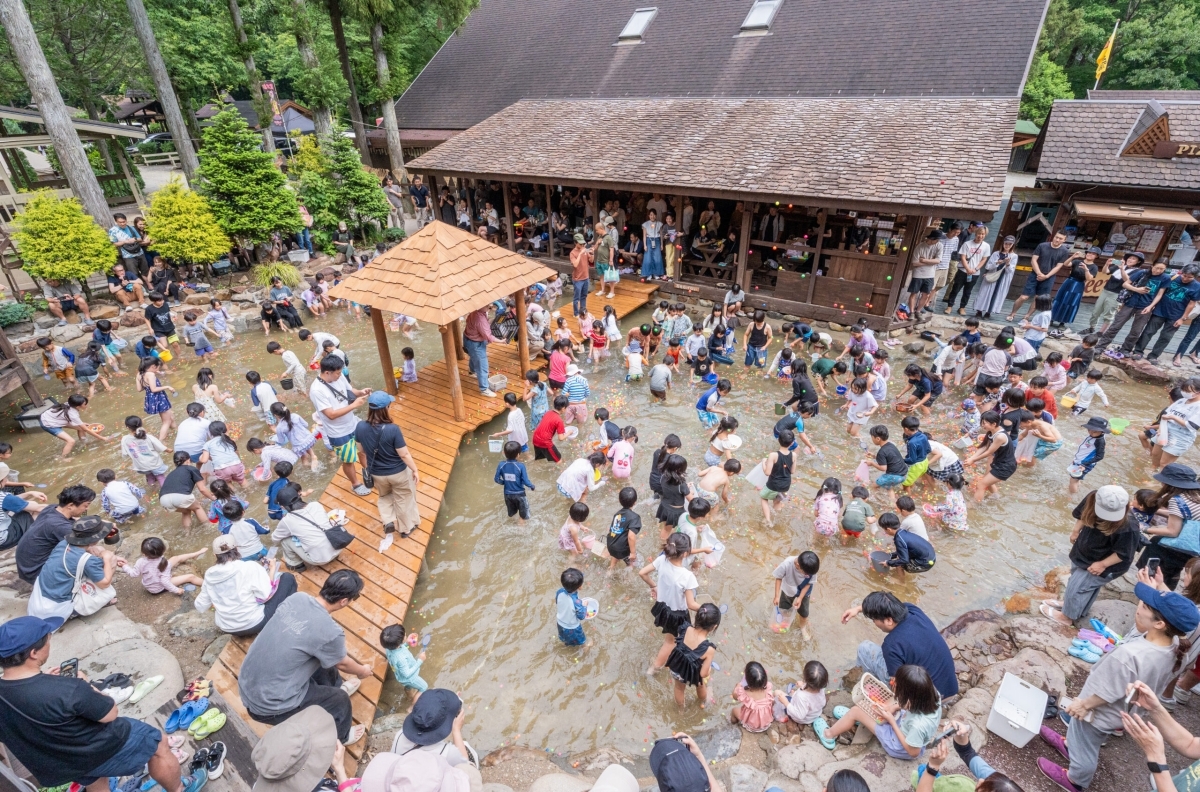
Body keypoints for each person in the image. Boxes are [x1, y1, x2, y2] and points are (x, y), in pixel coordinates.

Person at [0, 615, 204, 792]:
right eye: (46, 639)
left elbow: (29, 699)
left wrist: (41, 677)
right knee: (159, 742)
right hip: (96, 750)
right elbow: (110, 712)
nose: (49, 641)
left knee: (93, 778)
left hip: (60, 761)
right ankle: (179, 788)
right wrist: (87, 684)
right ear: (34, 653)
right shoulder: (68, 689)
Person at [1037, 577, 1199, 792]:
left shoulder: (1129, 655)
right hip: (1125, 712)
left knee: (1086, 743)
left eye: (1144, 605)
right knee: (1086, 739)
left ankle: (1076, 779)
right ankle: (1070, 745)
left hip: (1099, 713)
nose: (1138, 606)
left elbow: (1106, 692)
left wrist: (1082, 705)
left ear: (1159, 624)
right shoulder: (1178, 647)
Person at [239, 569, 371, 745]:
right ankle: (343, 736)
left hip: (247, 684)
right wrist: (363, 671)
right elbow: (344, 664)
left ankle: (335, 687)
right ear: (344, 601)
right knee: (340, 700)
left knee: (323, 657)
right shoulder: (331, 632)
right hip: (268, 706)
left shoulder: (297, 598)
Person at [1040, 486, 1138, 627]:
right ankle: (1071, 606)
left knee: (1079, 587)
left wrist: (1103, 564)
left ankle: (1066, 617)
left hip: (1106, 561)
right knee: (1076, 579)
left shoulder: (1129, 526)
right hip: (1085, 551)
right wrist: (1075, 531)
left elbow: (1125, 553)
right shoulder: (1093, 497)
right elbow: (1082, 515)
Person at [841, 590, 959, 699]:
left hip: (929, 703)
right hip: (951, 690)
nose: (874, 623)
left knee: (865, 648)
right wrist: (857, 609)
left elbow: (896, 685)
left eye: (874, 619)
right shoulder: (912, 610)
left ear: (889, 621)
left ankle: (868, 682)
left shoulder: (891, 644)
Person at [818, 663, 942, 757]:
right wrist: (893, 707)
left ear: (910, 699)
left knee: (855, 711)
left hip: (898, 745)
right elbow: (909, 704)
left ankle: (828, 735)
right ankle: (856, 719)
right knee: (879, 708)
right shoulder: (931, 694)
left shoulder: (918, 726)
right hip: (907, 727)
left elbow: (913, 752)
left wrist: (891, 721)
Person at [355, 391, 421, 542]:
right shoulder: (393, 429)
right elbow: (404, 454)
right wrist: (415, 470)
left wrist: (367, 468)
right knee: (404, 499)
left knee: (384, 496)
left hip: (377, 473)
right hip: (398, 473)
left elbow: (362, 451)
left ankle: (388, 520)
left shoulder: (360, 427)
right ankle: (405, 529)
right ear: (386, 408)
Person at [26, 516, 121, 621]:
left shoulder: (63, 544)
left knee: (98, 552)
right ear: (94, 540)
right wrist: (107, 558)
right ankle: (88, 605)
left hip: (40, 600)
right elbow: (105, 583)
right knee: (111, 560)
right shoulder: (88, 561)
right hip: (57, 609)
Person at [310, 355, 371, 495]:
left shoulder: (339, 376)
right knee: (348, 459)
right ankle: (355, 484)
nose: (340, 375)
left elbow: (349, 391)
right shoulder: (317, 390)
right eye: (338, 373)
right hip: (338, 432)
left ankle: (369, 471)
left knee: (364, 450)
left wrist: (360, 392)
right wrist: (354, 405)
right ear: (327, 373)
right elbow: (330, 414)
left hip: (353, 423)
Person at [642, 533, 701, 673]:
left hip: (662, 607)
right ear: (686, 553)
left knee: (673, 638)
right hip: (677, 614)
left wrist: (653, 586)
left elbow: (642, 573)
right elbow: (691, 604)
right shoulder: (687, 576)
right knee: (670, 642)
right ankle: (654, 668)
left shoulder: (662, 560)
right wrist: (707, 608)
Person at [15, 484, 95, 585]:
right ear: (70, 506)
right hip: (36, 572)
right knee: (89, 558)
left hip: (26, 567)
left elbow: (77, 519)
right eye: (86, 505)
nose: (87, 509)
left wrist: (100, 522)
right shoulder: (59, 526)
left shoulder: (52, 508)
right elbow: (87, 546)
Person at [1096, 257, 1169, 359]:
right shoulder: (1142, 273)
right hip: (1130, 302)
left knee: (1136, 331)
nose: (1158, 271)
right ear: (1152, 266)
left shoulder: (1165, 278)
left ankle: (1126, 349)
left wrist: (1150, 307)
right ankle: (1101, 346)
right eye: (1156, 268)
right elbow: (1125, 284)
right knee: (1116, 325)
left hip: (1145, 306)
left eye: (1161, 269)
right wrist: (1137, 289)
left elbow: (1159, 295)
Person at [1133, 264, 1200, 364]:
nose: (1185, 278)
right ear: (1181, 272)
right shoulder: (1173, 278)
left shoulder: (1197, 286)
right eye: (1184, 275)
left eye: (1189, 277)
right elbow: (1161, 292)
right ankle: (1138, 351)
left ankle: (1154, 355)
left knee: (1166, 337)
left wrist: (1183, 318)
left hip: (1176, 315)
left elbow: (1191, 303)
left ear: (1195, 277)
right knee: (1148, 331)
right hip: (1160, 310)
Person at [1008, 231, 1080, 322]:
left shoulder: (1065, 251)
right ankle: (1012, 313)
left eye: (1060, 238)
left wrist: (1046, 276)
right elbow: (1033, 260)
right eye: (1056, 237)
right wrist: (1039, 273)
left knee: (1038, 298)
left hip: (1049, 277)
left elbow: (1058, 266)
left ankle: (1027, 316)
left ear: (1064, 240)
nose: (1057, 240)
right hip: (1035, 274)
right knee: (1024, 297)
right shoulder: (1042, 246)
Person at [273, 486, 342, 570]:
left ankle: (296, 564)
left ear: (283, 507)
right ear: (300, 495)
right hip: (338, 545)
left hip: (321, 559)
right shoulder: (316, 505)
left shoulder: (287, 521)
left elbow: (275, 538)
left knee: (285, 540)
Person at [667, 602, 720, 708]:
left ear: (697, 616)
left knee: (679, 688)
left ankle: (681, 710)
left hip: (676, 667)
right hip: (693, 673)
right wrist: (708, 669)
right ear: (714, 627)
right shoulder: (709, 648)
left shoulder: (684, 628)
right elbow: (703, 674)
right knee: (700, 685)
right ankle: (704, 701)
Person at [160, 451, 214, 530]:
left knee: (186, 511)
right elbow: (202, 489)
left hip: (163, 500)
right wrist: (213, 498)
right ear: (188, 460)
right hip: (180, 497)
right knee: (197, 507)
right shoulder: (191, 469)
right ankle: (208, 527)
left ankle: (187, 533)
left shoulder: (171, 473)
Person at [944, 224, 990, 315]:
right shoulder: (967, 244)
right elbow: (963, 257)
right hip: (963, 271)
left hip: (975, 273)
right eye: (979, 233)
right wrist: (968, 268)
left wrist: (976, 269)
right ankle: (949, 306)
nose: (980, 236)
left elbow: (984, 259)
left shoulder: (986, 246)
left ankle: (962, 307)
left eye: (983, 234)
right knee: (955, 289)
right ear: (976, 233)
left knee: (967, 292)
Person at [1050, 247, 1100, 329]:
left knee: (1071, 302)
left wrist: (1086, 269)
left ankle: (1063, 322)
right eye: (1089, 252)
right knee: (1059, 299)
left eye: (1093, 254)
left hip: (1079, 284)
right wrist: (1073, 257)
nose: (1090, 254)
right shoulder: (1077, 261)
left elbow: (1089, 278)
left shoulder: (1094, 267)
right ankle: (1051, 318)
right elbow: (1066, 264)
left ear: (1096, 256)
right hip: (1069, 282)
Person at [773, 550, 818, 639]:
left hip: (804, 591)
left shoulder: (811, 568)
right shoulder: (787, 564)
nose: (807, 575)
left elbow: (809, 583)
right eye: (805, 573)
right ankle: (785, 623)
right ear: (797, 565)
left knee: (804, 613)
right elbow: (778, 578)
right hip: (788, 590)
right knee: (785, 609)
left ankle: (802, 627)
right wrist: (777, 596)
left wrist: (800, 598)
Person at [971, 235, 1019, 318]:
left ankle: (989, 312)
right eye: (1006, 243)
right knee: (984, 293)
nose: (1007, 246)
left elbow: (1010, 271)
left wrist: (1007, 263)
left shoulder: (1014, 256)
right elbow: (987, 267)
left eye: (1010, 244)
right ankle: (979, 311)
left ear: (1012, 245)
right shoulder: (996, 254)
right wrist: (997, 263)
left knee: (997, 294)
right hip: (992, 275)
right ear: (1003, 244)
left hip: (1003, 278)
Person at [380, 624, 427, 701]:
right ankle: (412, 707)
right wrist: (420, 660)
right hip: (410, 678)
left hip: (400, 676)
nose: (406, 635)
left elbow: (398, 649)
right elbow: (407, 674)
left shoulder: (389, 648)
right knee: (424, 687)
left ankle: (409, 694)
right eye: (405, 635)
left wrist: (406, 643)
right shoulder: (400, 658)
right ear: (399, 642)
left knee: (408, 685)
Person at [907, 231, 943, 315]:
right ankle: (912, 312)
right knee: (914, 293)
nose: (938, 241)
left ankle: (918, 310)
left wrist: (923, 260)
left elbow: (938, 261)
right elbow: (915, 263)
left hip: (930, 274)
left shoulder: (939, 246)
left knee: (926, 294)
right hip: (918, 273)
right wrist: (931, 261)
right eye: (937, 239)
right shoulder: (920, 247)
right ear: (931, 239)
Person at [143, 291, 180, 357]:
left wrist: (173, 317)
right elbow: (146, 319)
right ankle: (164, 358)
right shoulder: (149, 309)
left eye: (162, 300)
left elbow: (168, 312)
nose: (162, 302)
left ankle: (179, 357)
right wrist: (150, 328)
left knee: (175, 344)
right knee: (164, 346)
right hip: (158, 330)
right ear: (153, 301)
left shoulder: (165, 304)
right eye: (159, 301)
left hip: (170, 328)